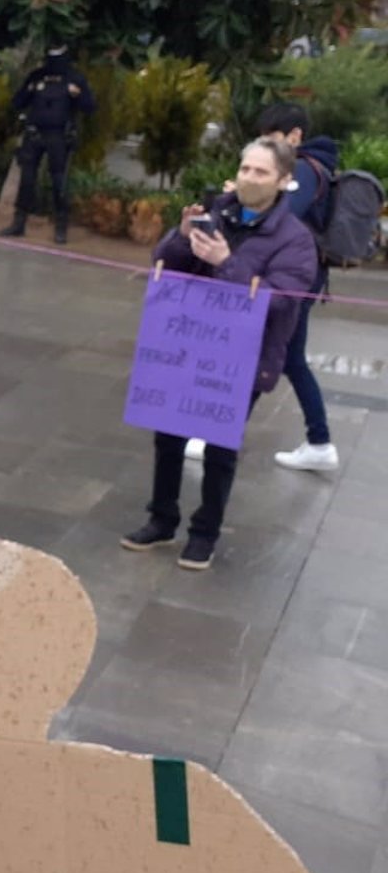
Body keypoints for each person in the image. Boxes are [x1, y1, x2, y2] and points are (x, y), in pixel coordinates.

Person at [121, 137, 318, 571]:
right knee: (168, 434)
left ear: (284, 181)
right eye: (245, 168)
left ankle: (204, 533)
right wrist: (181, 237)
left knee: (220, 447)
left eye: (261, 172)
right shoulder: (215, 214)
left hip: (242, 357)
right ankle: (161, 518)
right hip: (189, 343)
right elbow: (167, 264)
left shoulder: (296, 240)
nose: (249, 178)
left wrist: (228, 263)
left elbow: (282, 301)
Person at [258, 102, 342, 474]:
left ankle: (218, 433)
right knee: (288, 357)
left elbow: (283, 215)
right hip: (300, 277)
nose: (266, 145)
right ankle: (319, 442)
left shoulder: (305, 170)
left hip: (296, 278)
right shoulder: (308, 166)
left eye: (272, 137)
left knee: (270, 351)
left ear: (295, 136)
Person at [0, 45, 95, 244]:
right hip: (34, 134)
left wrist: (77, 95)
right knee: (27, 180)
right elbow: (17, 102)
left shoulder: (74, 78)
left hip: (59, 136)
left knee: (59, 182)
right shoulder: (37, 77)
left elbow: (90, 107)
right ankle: (19, 222)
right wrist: (29, 91)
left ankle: (61, 227)